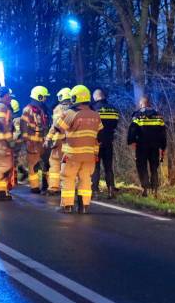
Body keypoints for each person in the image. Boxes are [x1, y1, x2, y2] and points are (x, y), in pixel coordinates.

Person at [53, 85, 102, 213]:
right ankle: (84, 206)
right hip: (90, 155)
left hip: (72, 155)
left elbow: (58, 127)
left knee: (68, 178)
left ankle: (67, 206)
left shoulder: (70, 113)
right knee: (86, 179)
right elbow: (99, 134)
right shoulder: (96, 115)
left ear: (76, 98)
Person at [127, 95, 167, 197]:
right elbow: (163, 132)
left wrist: (131, 141)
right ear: (149, 104)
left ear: (141, 104)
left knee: (142, 167)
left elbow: (132, 129)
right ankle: (155, 190)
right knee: (154, 168)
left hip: (141, 146)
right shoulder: (158, 115)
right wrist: (163, 146)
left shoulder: (138, 115)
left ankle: (145, 189)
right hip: (155, 146)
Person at [91, 88, 120, 199]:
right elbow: (115, 124)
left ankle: (95, 191)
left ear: (96, 97)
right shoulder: (113, 109)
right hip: (109, 141)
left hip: (96, 142)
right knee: (108, 167)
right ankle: (111, 190)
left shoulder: (93, 109)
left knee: (96, 167)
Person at [20, 86, 50, 193]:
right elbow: (23, 126)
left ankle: (46, 185)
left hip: (42, 142)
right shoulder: (27, 110)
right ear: (39, 96)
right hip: (32, 143)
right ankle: (35, 187)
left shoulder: (42, 109)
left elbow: (45, 125)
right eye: (44, 97)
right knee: (33, 166)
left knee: (46, 164)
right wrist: (27, 140)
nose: (46, 99)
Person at [44, 87, 72, 195]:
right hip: (70, 142)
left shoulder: (58, 109)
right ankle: (69, 187)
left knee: (55, 163)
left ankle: (54, 187)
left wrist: (48, 138)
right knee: (69, 165)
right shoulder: (74, 110)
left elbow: (55, 125)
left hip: (58, 141)